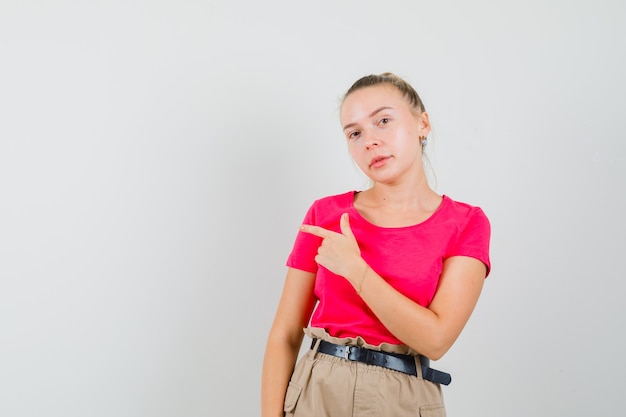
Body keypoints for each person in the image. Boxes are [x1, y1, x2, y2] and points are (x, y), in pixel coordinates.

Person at [261, 72, 491, 417]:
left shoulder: (465, 222)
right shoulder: (326, 214)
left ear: (422, 124)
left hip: (403, 396)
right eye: (355, 133)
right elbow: (285, 334)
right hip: (317, 390)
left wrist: (357, 271)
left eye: (383, 121)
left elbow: (436, 339)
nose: (369, 140)